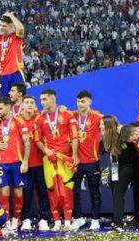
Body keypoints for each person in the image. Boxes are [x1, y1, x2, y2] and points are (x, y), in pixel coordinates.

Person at [35, 89, 78, 231]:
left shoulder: (67, 115)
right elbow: (37, 140)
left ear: (53, 99)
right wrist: (46, 150)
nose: (42, 102)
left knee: (67, 190)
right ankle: (57, 221)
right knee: (52, 190)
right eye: (41, 100)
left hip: (65, 158)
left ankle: (68, 221)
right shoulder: (39, 119)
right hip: (50, 159)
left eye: (44, 99)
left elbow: (74, 137)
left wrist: (75, 155)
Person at [0, 96, 30, 230]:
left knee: (18, 193)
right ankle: (6, 220)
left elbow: (27, 143)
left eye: (0, 108)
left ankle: (16, 219)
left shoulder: (19, 121)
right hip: (1, 163)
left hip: (17, 162)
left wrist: (25, 161)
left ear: (9, 107)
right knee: (4, 192)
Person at [102, 117, 139, 229]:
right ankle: (118, 220)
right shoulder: (108, 136)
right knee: (115, 190)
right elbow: (114, 156)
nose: (100, 126)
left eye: (102, 124)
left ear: (109, 126)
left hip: (131, 167)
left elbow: (132, 152)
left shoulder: (122, 134)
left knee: (120, 193)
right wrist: (114, 174)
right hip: (118, 165)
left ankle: (120, 222)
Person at [71, 91, 103, 231]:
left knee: (94, 192)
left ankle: (95, 220)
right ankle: (78, 218)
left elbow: (112, 124)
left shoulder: (97, 117)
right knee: (74, 191)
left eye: (83, 101)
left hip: (92, 161)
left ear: (90, 101)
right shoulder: (72, 116)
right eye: (78, 101)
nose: (80, 104)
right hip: (76, 161)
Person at [19, 95, 51, 231]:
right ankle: (26, 219)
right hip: (24, 165)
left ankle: (44, 219)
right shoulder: (16, 120)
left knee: (43, 192)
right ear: (22, 106)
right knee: (26, 194)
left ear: (35, 106)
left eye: (32, 102)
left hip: (40, 163)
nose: (29, 104)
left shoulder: (41, 119)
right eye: (26, 102)